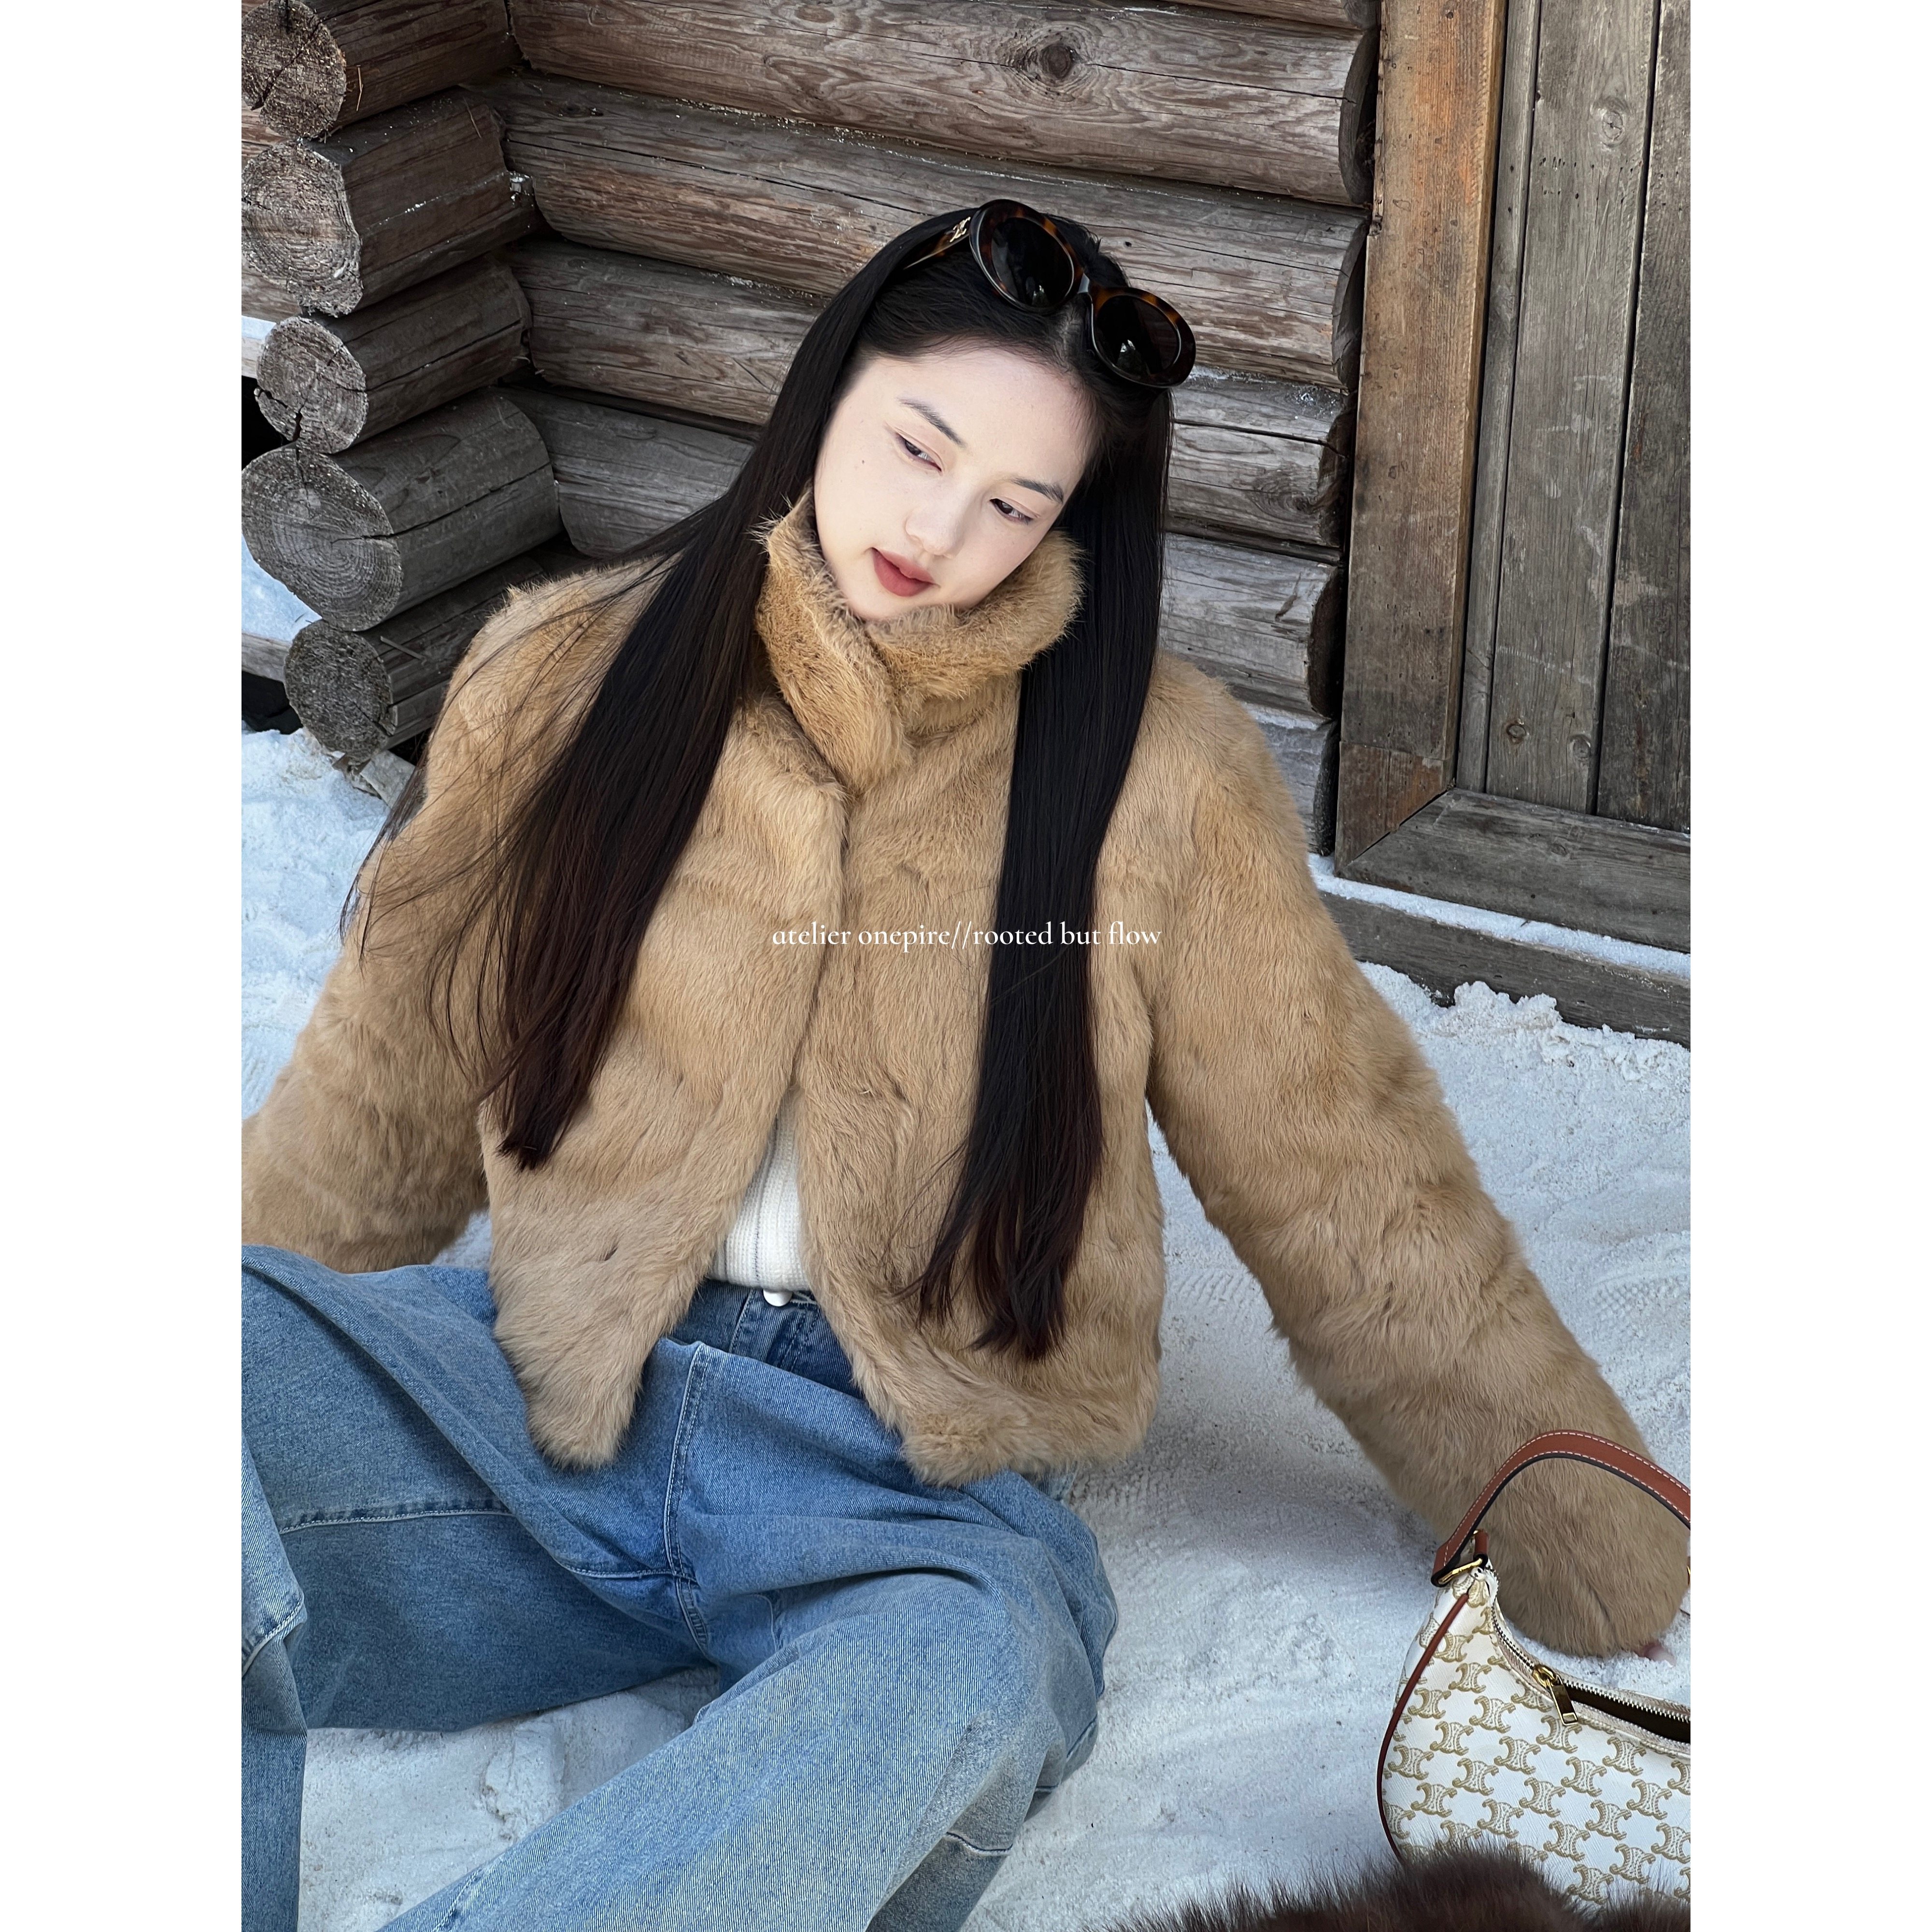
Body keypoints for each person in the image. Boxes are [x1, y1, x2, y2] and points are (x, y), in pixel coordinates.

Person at [242, 202, 1689, 1932]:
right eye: (920, 449)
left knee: (965, 1682)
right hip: (546, 1410)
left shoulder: (1158, 770)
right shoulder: (564, 672)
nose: (942, 531)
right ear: (828, 395)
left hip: (906, 1495)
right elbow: (392, 1056)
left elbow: (1341, 1167)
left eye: (1017, 502)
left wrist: (1564, 1502)